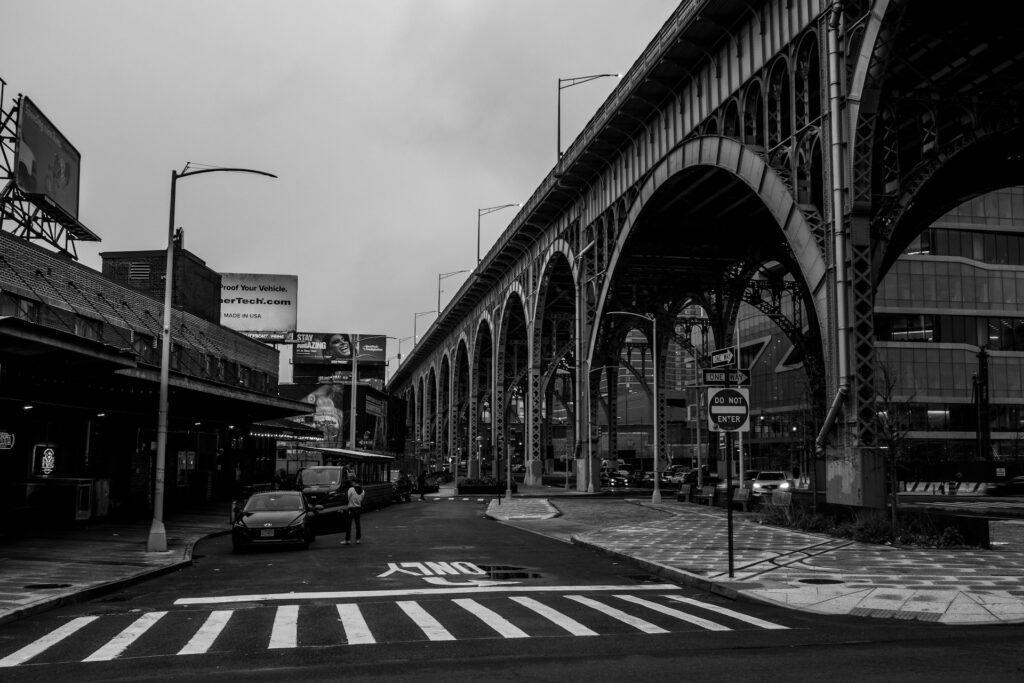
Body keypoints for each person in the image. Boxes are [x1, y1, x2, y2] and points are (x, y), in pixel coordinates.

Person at [344, 479, 365, 545]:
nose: (351, 483)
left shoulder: (351, 489)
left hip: (351, 508)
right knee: (358, 524)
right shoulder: (363, 491)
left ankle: (348, 540)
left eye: (352, 482)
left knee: (348, 525)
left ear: (354, 482)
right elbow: (361, 500)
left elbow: (347, 498)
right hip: (358, 508)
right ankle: (358, 539)